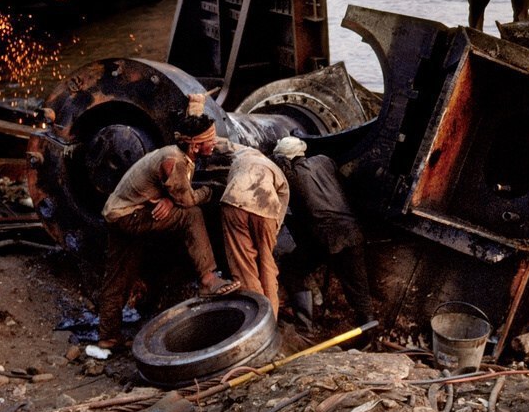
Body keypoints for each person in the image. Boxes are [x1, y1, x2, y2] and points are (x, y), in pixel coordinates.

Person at [96, 98, 240, 351]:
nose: (213, 143)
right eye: (209, 141)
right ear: (194, 146)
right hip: (129, 217)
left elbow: (176, 194)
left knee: (118, 276)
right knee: (192, 215)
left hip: (118, 212)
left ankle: (108, 336)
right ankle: (207, 277)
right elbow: (188, 200)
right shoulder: (175, 162)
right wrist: (210, 191)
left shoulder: (179, 148)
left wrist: (196, 104)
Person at [272, 136, 375, 328]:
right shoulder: (324, 160)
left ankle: (305, 326)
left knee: (292, 269)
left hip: (326, 239)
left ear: (285, 159)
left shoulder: (291, 177)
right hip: (352, 231)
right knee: (359, 288)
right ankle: (369, 335)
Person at [219, 144, 289, 317]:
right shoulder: (278, 173)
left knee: (244, 266)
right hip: (266, 208)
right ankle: (270, 320)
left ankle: (254, 320)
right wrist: (272, 233)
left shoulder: (243, 153)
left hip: (235, 201)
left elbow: (222, 143)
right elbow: (281, 205)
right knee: (267, 265)